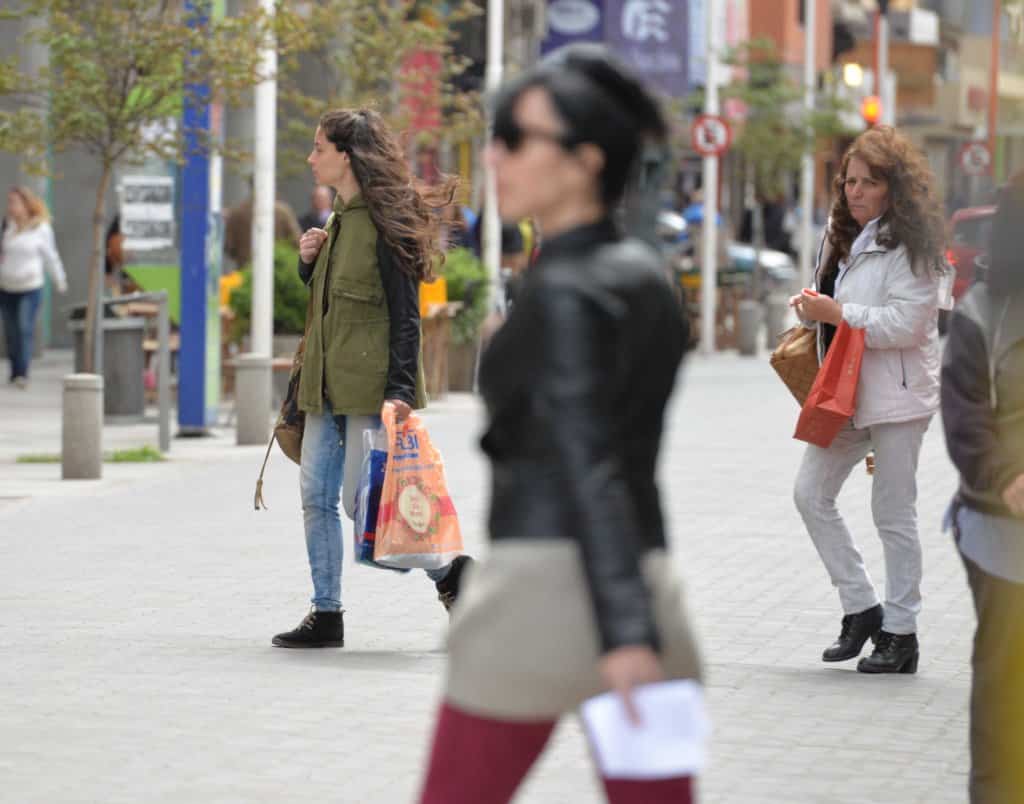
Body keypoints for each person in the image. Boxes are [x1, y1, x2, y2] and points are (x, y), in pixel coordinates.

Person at [418, 45, 702, 803]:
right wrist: (636, 622)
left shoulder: (566, 293)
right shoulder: (646, 278)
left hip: (543, 589)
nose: (494, 157)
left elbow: (588, 463)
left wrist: (622, 633)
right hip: (642, 576)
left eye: (516, 138)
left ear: (583, 160)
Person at [272, 108, 471, 649]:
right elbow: (332, 306)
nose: (311, 157)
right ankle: (326, 613)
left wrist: (402, 390)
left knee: (366, 506)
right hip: (323, 386)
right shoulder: (338, 220)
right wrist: (308, 265)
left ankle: (453, 574)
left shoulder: (385, 221)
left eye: (319, 148)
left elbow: (406, 315)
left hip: (369, 388)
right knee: (315, 496)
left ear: (346, 155)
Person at [790, 126, 947, 674]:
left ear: (894, 188)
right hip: (844, 392)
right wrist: (812, 310)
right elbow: (835, 310)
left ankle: (901, 634)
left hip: (900, 396)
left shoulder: (914, 246)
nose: (855, 192)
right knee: (810, 493)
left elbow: (907, 323)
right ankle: (862, 608)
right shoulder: (839, 236)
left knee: (893, 513)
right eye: (849, 181)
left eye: (869, 182)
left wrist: (840, 315)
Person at [941, 171, 1024, 803]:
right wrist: (1007, 477)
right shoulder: (981, 315)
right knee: (1004, 680)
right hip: (1002, 531)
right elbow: (966, 418)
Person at [0, 186, 67, 388]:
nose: (11, 207)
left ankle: (22, 373)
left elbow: (50, 256)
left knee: (23, 328)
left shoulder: (41, 228)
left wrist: (59, 279)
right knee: (11, 332)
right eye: (9, 202)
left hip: (30, 287)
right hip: (6, 286)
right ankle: (14, 371)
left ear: (26, 204)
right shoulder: (7, 226)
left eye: (15, 202)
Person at [222, 184, 302, 269]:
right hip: (277, 268)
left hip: (245, 269)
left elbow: (228, 245)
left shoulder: (237, 212)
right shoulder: (283, 212)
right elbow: (296, 241)